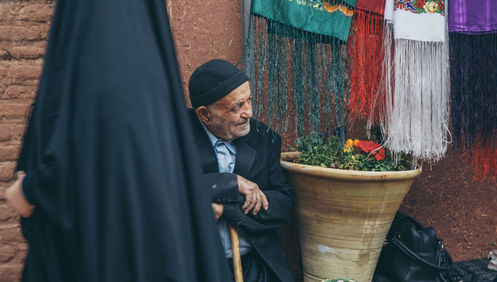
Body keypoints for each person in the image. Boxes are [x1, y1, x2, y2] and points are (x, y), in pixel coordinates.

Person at [4, 0, 231, 281]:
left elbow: (94, 144)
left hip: (112, 248)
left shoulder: (105, 20)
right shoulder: (138, 45)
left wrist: (32, 189)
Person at [187, 59, 296, 282]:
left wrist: (225, 209)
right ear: (205, 115)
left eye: (249, 101)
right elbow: (169, 187)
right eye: (237, 107)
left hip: (253, 266)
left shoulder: (264, 138)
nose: (248, 112)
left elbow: (282, 203)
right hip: (195, 269)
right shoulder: (177, 135)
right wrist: (232, 182)